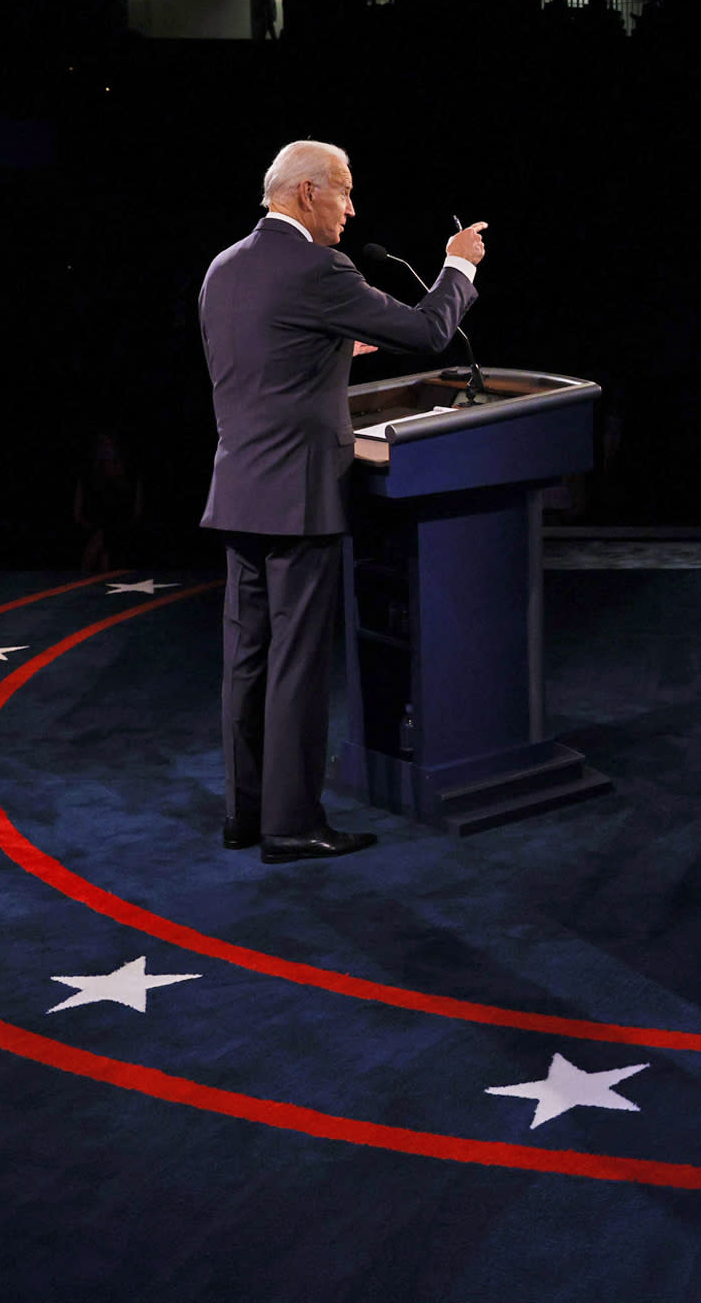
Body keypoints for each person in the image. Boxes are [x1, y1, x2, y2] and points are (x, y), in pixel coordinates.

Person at [199, 140, 486, 863]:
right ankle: (293, 827)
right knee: (295, 665)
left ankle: (247, 815)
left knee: (247, 661)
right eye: (344, 193)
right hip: (297, 496)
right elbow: (429, 330)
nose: (351, 210)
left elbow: (260, 360)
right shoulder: (319, 266)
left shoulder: (224, 267)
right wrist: (458, 265)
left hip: (239, 490)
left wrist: (330, 349)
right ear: (305, 194)